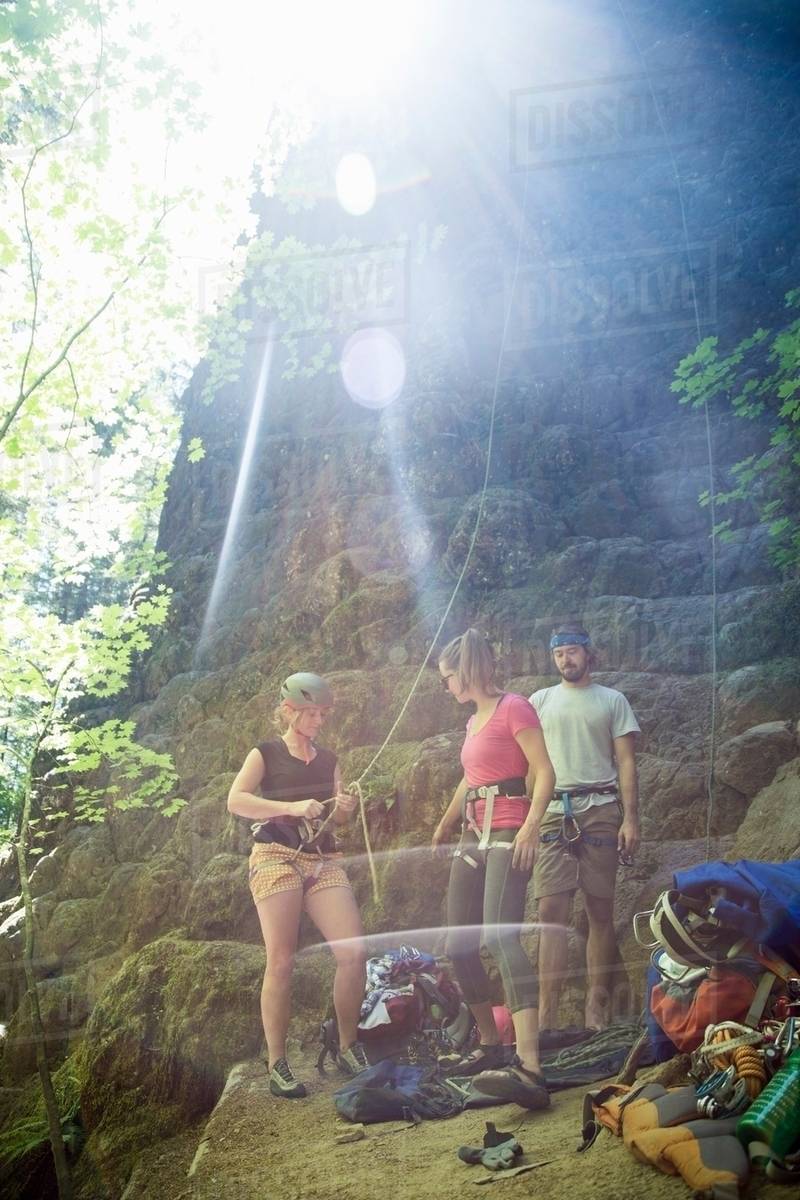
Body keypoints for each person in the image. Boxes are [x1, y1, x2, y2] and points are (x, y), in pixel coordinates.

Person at [431, 628, 556, 1109]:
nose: (445, 686)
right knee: (458, 944)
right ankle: (489, 1045)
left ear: (464, 672)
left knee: (501, 938)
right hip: (472, 836)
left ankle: (530, 1067)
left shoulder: (514, 707)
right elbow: (471, 778)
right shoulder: (473, 721)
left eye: (447, 678)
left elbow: (543, 770)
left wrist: (530, 826)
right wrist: (445, 822)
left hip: (508, 832)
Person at [227, 672, 367, 1099]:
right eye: (311, 713)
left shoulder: (329, 760)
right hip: (275, 856)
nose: (319, 720)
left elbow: (338, 818)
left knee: (354, 952)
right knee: (282, 961)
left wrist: (345, 807)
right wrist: (289, 805)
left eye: (323, 713)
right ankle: (277, 1063)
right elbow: (236, 800)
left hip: (322, 860)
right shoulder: (265, 753)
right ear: (288, 711)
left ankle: (347, 1045)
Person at [530, 622, 640, 1036]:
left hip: (600, 809)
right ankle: (545, 1018)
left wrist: (631, 818)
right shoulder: (539, 701)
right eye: (559, 654)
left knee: (599, 910)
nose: (566, 660)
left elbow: (627, 762)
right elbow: (530, 764)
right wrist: (529, 817)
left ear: (588, 654)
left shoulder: (612, 700)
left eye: (573, 652)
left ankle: (596, 1007)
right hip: (555, 810)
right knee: (549, 913)